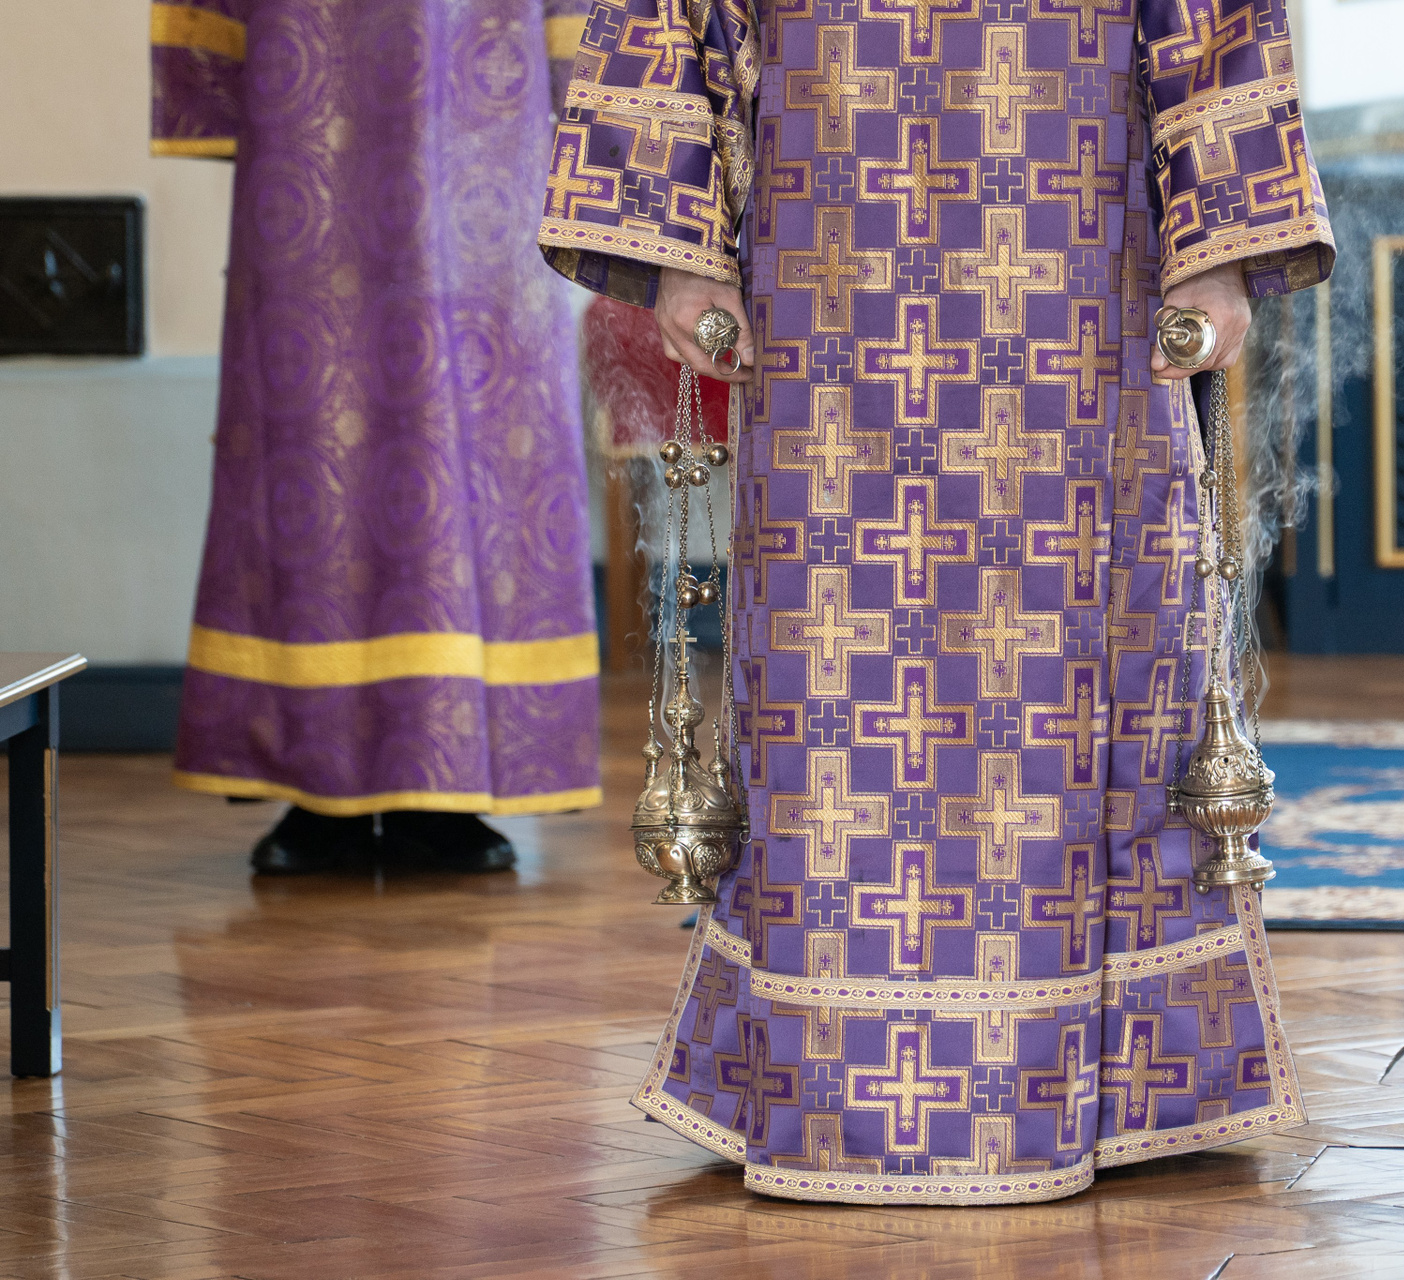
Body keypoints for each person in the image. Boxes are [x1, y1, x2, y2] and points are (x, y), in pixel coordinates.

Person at [539, 0, 1334, 1202]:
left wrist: (1218, 248)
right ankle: (832, 1087)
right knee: (830, 682)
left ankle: (1122, 1090)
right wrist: (687, 250)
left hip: (1082, 262)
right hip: (826, 265)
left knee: (1083, 662)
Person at [153, 0, 605, 873]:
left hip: (486, 159)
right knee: (306, 450)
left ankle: (453, 788)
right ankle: (315, 784)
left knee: (481, 444)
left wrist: (600, 96)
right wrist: (208, 86)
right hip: (306, 156)